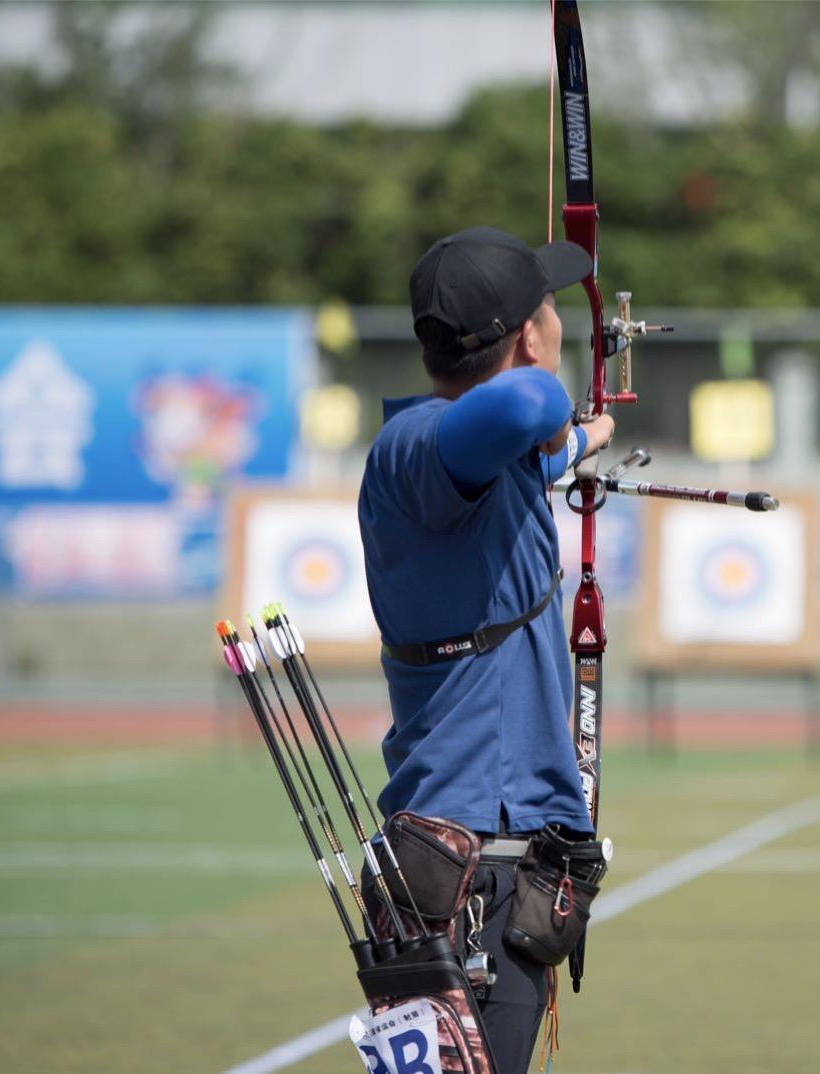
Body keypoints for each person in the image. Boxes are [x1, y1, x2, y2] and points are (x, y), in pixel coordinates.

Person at [357, 226, 613, 1074]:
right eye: (548, 314)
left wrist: (579, 444)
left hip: (500, 860)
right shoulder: (416, 448)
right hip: (469, 863)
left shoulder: (473, 469)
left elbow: (527, 444)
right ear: (532, 336)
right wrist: (553, 412)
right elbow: (522, 409)